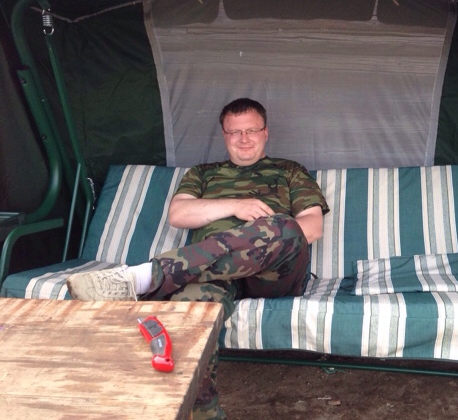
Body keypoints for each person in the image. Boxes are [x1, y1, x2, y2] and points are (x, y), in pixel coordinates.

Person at [66, 98, 329, 420]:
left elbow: (312, 227)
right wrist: (235, 205)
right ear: (224, 135)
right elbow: (178, 214)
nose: (244, 139)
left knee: (285, 227)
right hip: (210, 273)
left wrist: (264, 228)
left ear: (265, 132)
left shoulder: (290, 171)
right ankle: (203, 413)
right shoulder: (204, 173)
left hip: (274, 273)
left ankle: (148, 276)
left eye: (251, 130)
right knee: (188, 315)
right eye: (235, 132)